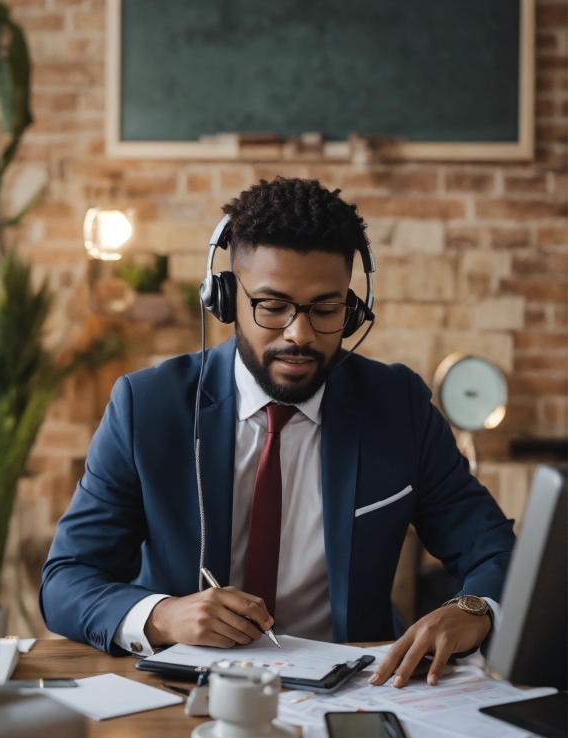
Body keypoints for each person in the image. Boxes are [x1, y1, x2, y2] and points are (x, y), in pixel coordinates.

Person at [40, 177, 515, 688]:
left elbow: (493, 548)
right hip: (184, 692)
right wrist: (162, 616)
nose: (299, 334)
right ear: (225, 299)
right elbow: (66, 580)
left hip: (363, 690)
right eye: (272, 306)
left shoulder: (398, 406)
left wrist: (475, 608)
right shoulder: (147, 407)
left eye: (326, 310)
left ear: (353, 309)